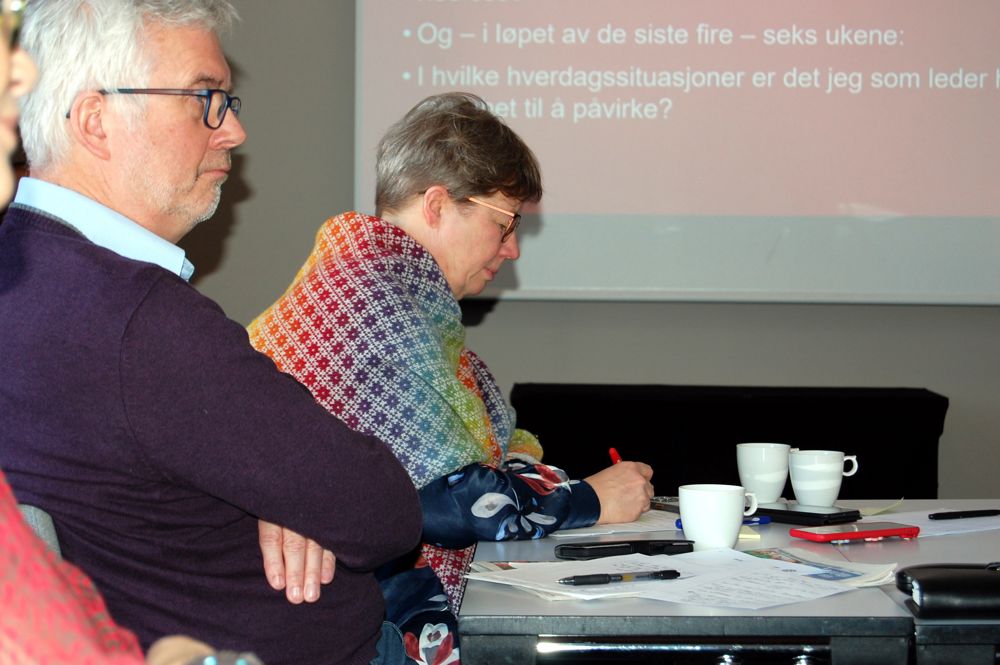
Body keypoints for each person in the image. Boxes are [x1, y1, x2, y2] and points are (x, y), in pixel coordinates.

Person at [0, 2, 421, 664]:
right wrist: (287, 493)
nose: (234, 131)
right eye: (205, 99)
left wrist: (275, 489)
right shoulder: (137, 323)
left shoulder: (26, 274)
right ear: (96, 120)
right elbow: (383, 512)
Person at [248, 92, 655, 660]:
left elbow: (490, 455)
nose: (512, 249)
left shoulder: (392, 293)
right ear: (437, 205)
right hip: (351, 629)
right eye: (504, 224)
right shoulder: (367, 297)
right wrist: (589, 499)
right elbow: (444, 500)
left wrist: (540, 483)